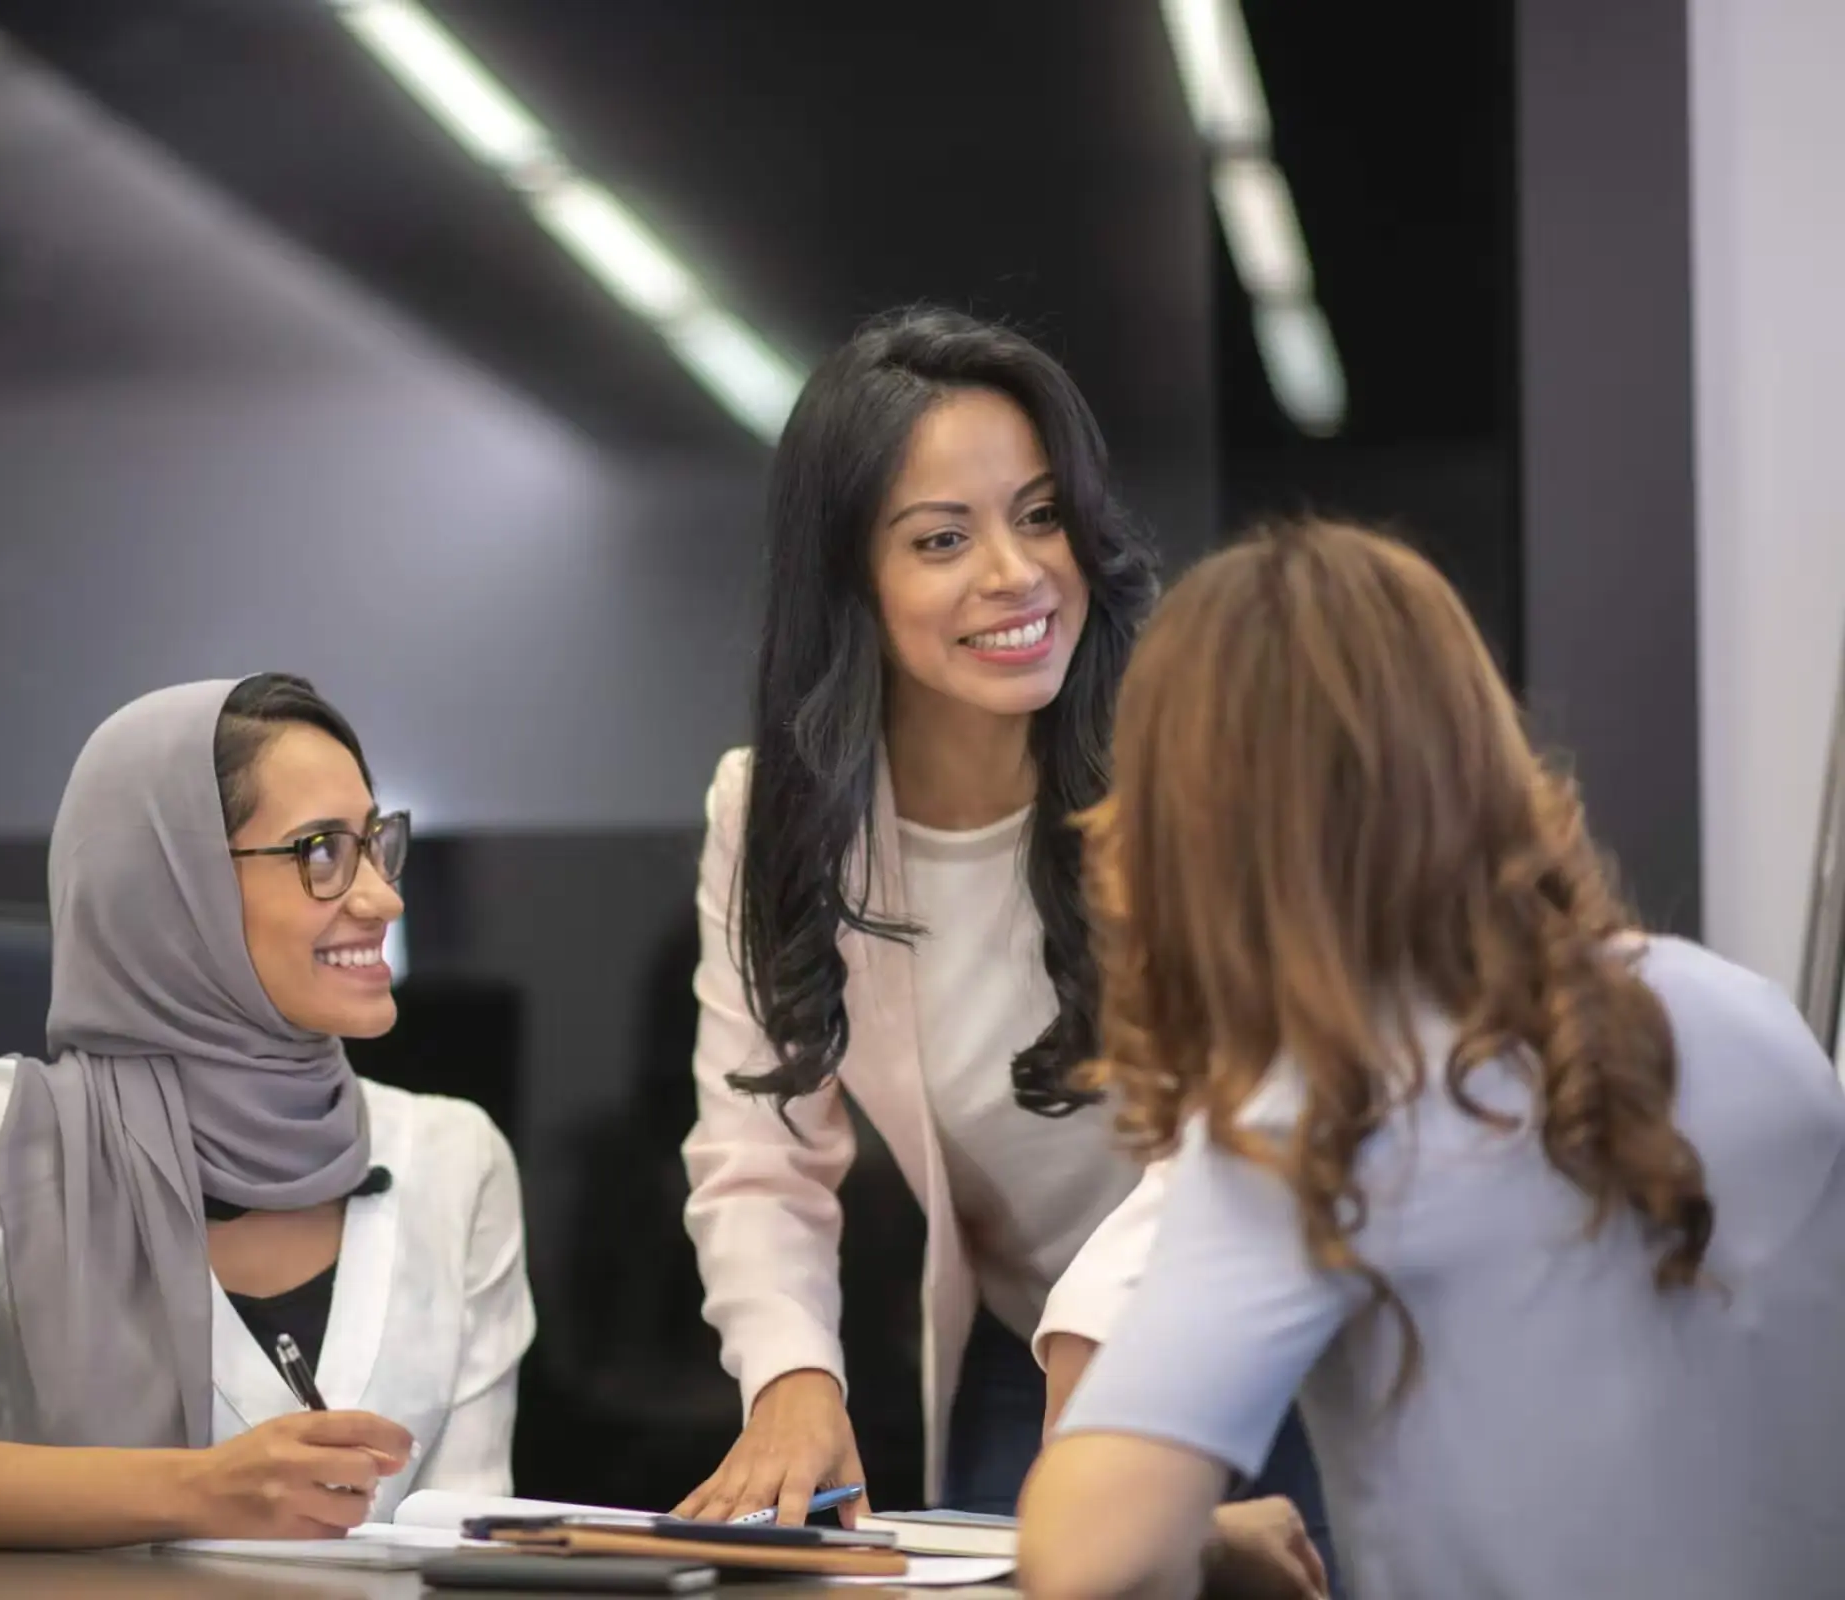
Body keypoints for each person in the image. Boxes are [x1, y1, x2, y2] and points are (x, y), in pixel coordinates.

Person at [1019, 519, 1845, 1600]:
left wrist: (1214, 1540)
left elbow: (1087, 1558)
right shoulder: (1753, 1020)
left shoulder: (1323, 1122)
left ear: (1189, 835)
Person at [673, 307, 1329, 1557]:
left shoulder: (1192, 763)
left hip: (1265, 1334)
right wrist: (792, 1378)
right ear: (850, 578)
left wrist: (1095, 1360)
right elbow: (758, 1154)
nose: (1017, 572)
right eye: (940, 538)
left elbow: (1250, 1121)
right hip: (1025, 1357)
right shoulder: (771, 814)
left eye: (1040, 514)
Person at [0, 675, 534, 1547]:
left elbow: (468, 1540)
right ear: (176, 881)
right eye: (320, 851)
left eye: (377, 844)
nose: (382, 896)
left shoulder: (456, 1157)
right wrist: (203, 1490)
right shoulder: (17, 1134)